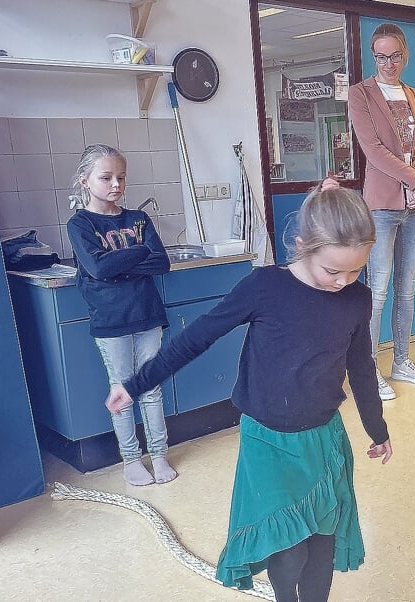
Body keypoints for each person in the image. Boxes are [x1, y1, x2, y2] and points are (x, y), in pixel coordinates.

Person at [103, 179, 392, 602]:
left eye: (356, 270)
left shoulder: (356, 298)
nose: (343, 281)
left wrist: (377, 428)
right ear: (302, 245)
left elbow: (362, 366)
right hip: (268, 442)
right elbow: (196, 337)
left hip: (323, 438)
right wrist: (136, 384)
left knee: (321, 545)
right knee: (288, 551)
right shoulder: (264, 287)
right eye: (333, 270)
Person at [66, 144, 175, 486]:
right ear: (85, 180)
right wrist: (139, 251)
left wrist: (123, 262)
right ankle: (131, 459)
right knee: (122, 391)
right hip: (111, 321)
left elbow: (162, 262)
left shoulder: (138, 219)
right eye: (106, 177)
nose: (116, 184)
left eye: (121, 177)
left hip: (147, 315)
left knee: (151, 389)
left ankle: (158, 456)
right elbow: (98, 267)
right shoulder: (80, 224)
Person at [348, 22, 415, 401]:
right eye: (381, 56)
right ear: (373, 56)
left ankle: (402, 361)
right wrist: (412, 177)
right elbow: (372, 150)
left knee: (407, 290)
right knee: (378, 291)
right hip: (381, 205)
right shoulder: (360, 95)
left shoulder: (414, 95)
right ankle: (368, 371)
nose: (388, 63)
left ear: (405, 55)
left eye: (395, 56)